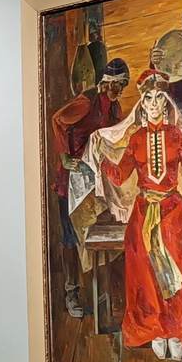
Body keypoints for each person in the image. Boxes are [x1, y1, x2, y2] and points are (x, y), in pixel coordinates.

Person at [87, 72, 182, 359]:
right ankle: (156, 328)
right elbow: (120, 175)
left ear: (166, 101)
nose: (153, 103)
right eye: (148, 98)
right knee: (146, 272)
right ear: (142, 103)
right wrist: (102, 158)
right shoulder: (136, 138)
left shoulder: (175, 135)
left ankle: (177, 327)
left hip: (175, 212)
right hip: (143, 212)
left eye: (159, 97)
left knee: (179, 267)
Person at [51, 57, 129, 317]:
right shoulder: (86, 102)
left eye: (122, 85)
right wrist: (64, 156)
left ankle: (103, 291)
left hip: (94, 180)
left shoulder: (115, 108)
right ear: (105, 82)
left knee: (98, 233)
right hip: (71, 178)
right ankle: (71, 292)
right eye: (114, 83)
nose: (118, 89)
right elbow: (57, 120)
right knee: (70, 236)